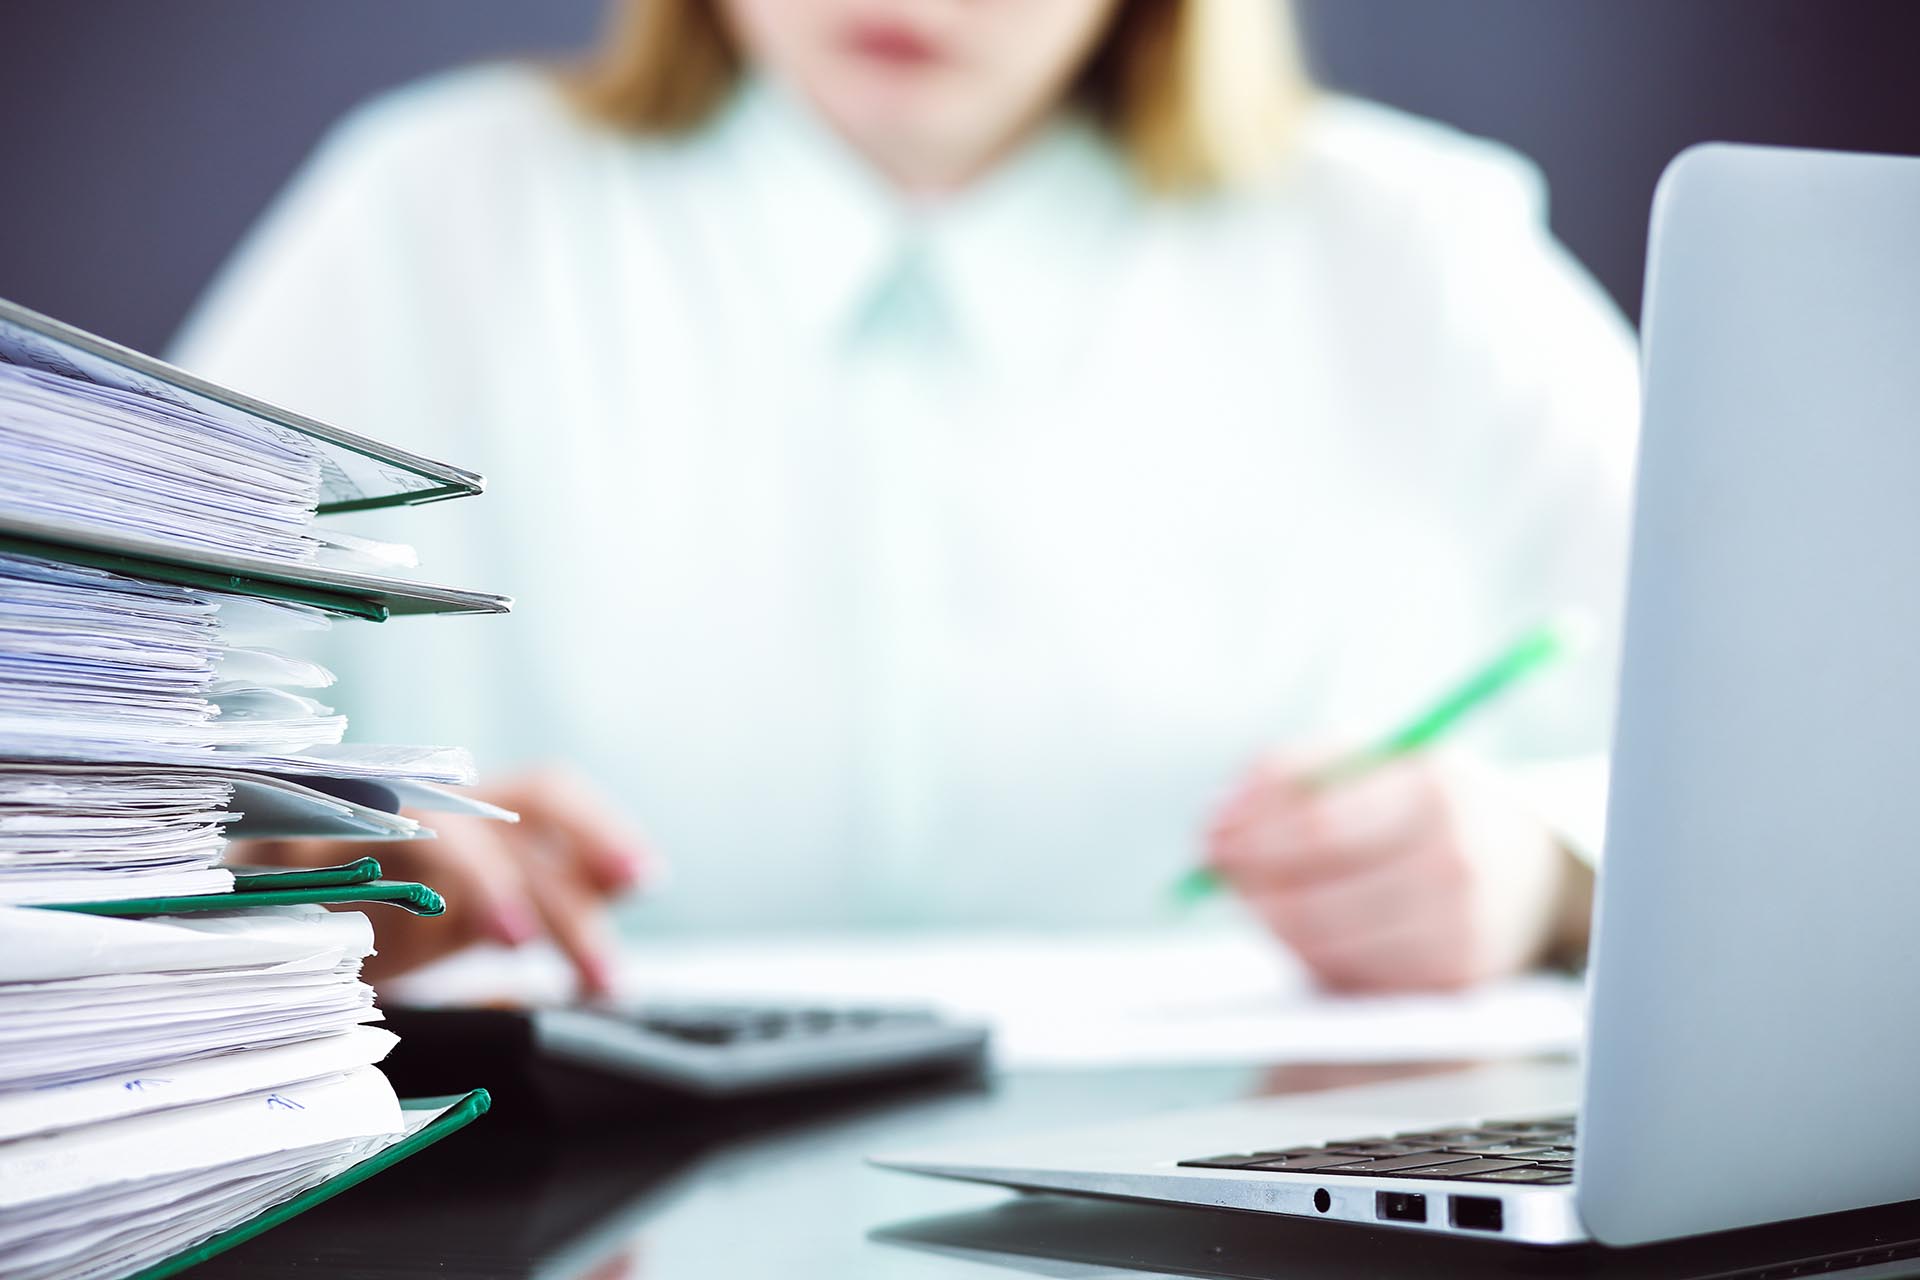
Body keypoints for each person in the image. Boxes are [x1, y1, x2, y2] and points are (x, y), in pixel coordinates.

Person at [173, 0, 1636, 996]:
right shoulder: (425, 216)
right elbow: (76, 762)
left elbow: (1812, 785)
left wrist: (1548, 876)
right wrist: (276, 872)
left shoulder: (1424, 254)